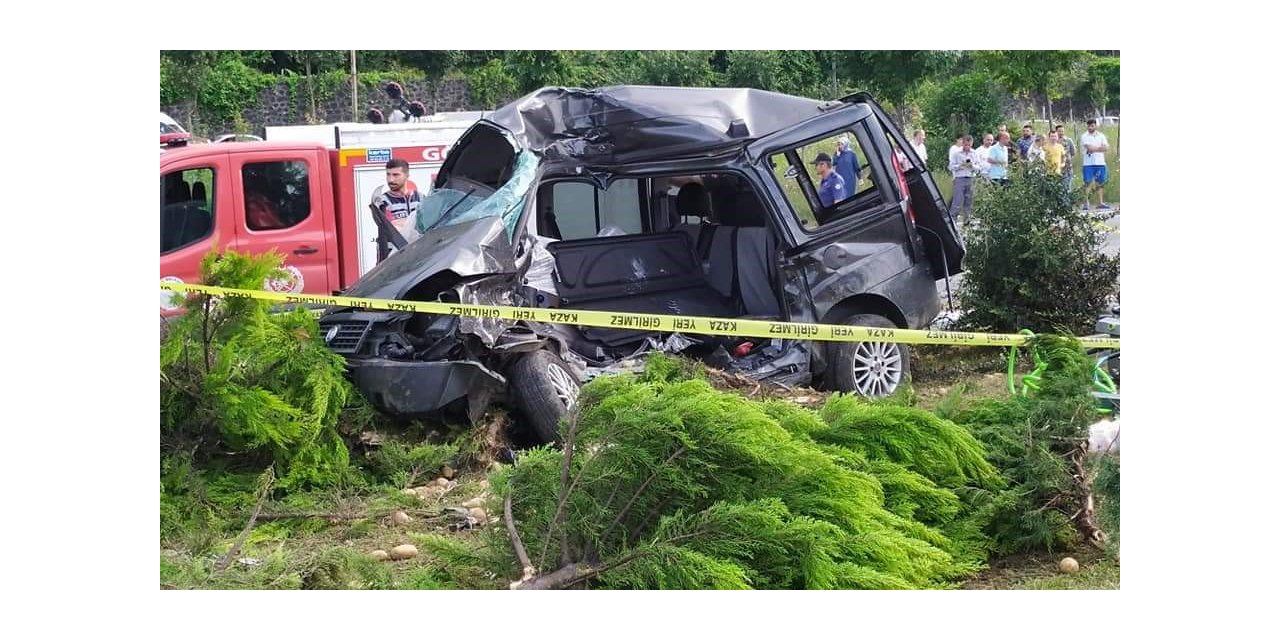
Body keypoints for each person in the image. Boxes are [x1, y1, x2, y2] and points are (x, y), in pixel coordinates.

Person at [375, 158, 422, 241]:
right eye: (388, 174)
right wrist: (414, 222)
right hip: (394, 248)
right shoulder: (382, 201)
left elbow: (427, 225)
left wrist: (402, 222)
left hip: (418, 247)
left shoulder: (420, 198)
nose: (390, 179)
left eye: (395, 175)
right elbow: (391, 228)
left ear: (407, 176)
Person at [1080, 118, 1111, 210]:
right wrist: (1100, 148)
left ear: (1095, 126)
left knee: (1100, 183)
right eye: (1089, 126)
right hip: (1088, 163)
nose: (1090, 127)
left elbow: (1106, 148)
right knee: (1088, 182)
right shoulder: (1084, 136)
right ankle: (1086, 203)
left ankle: (1100, 202)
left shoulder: (1101, 136)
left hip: (1100, 162)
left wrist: (1095, 148)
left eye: (1092, 126)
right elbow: (1089, 148)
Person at [948, 135, 979, 221]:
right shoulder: (957, 153)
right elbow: (951, 167)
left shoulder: (974, 153)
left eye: (969, 145)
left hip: (970, 178)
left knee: (969, 199)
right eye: (966, 145)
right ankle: (953, 219)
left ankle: (967, 219)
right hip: (960, 178)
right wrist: (960, 165)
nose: (967, 147)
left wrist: (972, 166)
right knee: (957, 199)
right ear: (963, 143)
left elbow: (979, 167)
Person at [1055, 124, 1076, 192]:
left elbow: (1073, 152)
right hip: (1056, 167)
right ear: (1056, 132)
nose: (1061, 133)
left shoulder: (1068, 140)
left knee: (1067, 186)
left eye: (1062, 131)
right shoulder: (1054, 141)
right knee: (1058, 187)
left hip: (1067, 167)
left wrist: (1067, 159)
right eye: (1059, 131)